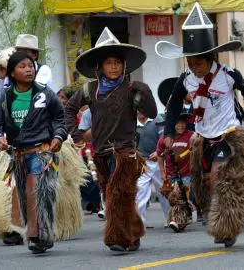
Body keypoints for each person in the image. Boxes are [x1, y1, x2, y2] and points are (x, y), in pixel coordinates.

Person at [157, 2, 244, 248]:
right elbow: (173, 106)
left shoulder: (228, 74)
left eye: (199, 63)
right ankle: (222, 220)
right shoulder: (186, 79)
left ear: (210, 58)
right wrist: (169, 132)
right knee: (204, 184)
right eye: (190, 62)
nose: (194, 67)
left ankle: (225, 228)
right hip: (202, 137)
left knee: (219, 176)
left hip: (229, 134)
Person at [65, 27, 157, 252]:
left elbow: (153, 113)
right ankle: (134, 233)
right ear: (100, 66)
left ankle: (117, 238)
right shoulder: (89, 90)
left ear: (124, 65)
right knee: (115, 196)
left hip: (126, 153)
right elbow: (69, 109)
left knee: (116, 195)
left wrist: (145, 93)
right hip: (100, 153)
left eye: (117, 62)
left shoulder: (133, 88)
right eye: (109, 63)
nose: (114, 66)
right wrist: (76, 135)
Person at [0, 51, 67, 253]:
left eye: (31, 65)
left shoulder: (45, 93)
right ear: (12, 73)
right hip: (18, 154)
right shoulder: (4, 98)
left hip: (41, 151)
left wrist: (58, 136)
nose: (29, 69)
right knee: (25, 195)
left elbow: (59, 118)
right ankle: (36, 234)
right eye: (22, 66)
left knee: (39, 192)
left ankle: (41, 235)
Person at [156, 107, 193, 232]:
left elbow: (196, 153)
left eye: (183, 123)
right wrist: (162, 172)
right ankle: (181, 216)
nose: (181, 126)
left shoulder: (191, 136)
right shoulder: (164, 139)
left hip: (186, 173)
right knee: (172, 197)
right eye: (178, 123)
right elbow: (160, 156)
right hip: (171, 173)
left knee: (180, 195)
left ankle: (177, 221)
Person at [136, 110, 169, 227]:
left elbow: (164, 138)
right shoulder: (131, 123)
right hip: (142, 163)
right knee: (140, 191)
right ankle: (139, 223)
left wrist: (157, 152)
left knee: (164, 191)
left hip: (159, 161)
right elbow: (129, 142)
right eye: (138, 108)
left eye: (142, 108)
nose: (140, 111)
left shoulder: (157, 119)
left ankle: (170, 219)